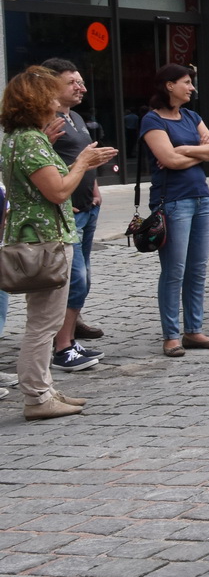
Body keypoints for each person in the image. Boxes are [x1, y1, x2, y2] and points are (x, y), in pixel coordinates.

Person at [2, 67, 116, 418]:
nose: (56, 100)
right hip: (45, 241)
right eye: (51, 94)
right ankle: (37, 396)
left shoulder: (21, 137)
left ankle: (45, 388)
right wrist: (83, 162)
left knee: (44, 320)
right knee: (44, 323)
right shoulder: (29, 140)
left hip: (39, 238)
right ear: (37, 100)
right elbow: (58, 191)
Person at [139, 65, 209, 358]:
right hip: (173, 201)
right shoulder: (152, 120)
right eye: (186, 83)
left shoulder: (191, 116)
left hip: (202, 198)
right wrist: (194, 152)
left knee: (197, 270)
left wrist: (184, 151)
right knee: (174, 270)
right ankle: (171, 335)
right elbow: (168, 160)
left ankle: (194, 330)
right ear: (169, 85)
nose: (192, 88)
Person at [39, 59, 105, 372]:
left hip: (88, 207)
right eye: (73, 83)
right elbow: (41, 167)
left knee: (84, 274)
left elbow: (81, 158)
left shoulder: (75, 116)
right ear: (52, 85)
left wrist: (94, 187)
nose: (81, 88)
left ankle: (71, 330)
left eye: (80, 81)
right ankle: (62, 346)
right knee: (75, 278)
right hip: (67, 212)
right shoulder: (45, 121)